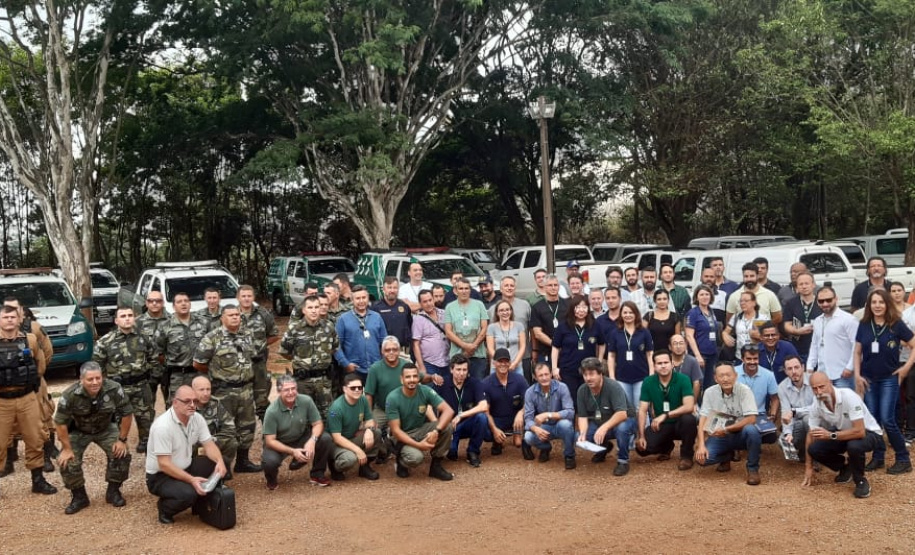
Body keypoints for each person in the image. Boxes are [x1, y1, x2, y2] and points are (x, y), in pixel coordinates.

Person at [54, 361, 133, 514]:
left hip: (105, 428)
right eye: (90, 379)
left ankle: (113, 491)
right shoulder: (70, 394)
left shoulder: (114, 388)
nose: (95, 382)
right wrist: (67, 448)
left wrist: (122, 440)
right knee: (67, 461)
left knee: (122, 454)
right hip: (79, 430)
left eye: (98, 378)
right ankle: (79, 496)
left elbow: (127, 413)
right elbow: (60, 422)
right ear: (81, 379)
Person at [193, 304, 261, 474]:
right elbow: (198, 363)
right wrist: (218, 375)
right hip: (223, 391)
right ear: (222, 318)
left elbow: (253, 358)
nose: (235, 317)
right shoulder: (212, 338)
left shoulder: (247, 335)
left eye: (237, 314)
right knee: (224, 429)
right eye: (230, 315)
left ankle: (243, 461)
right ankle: (224, 464)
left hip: (245, 389)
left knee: (247, 426)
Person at [145, 384, 227, 524]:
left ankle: (199, 504)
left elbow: (209, 444)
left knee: (220, 466)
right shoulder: (162, 427)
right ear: (175, 403)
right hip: (161, 476)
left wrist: (220, 461)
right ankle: (165, 508)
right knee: (188, 494)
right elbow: (164, 464)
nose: (192, 405)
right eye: (187, 401)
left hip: (186, 466)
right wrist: (191, 480)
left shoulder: (197, 418)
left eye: (195, 401)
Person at [854, 288, 915, 474]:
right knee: (874, 420)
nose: (878, 306)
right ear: (869, 305)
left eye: (881, 302)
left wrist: (905, 368)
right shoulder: (864, 324)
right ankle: (878, 457)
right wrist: (857, 375)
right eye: (874, 302)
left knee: (888, 420)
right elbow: (857, 352)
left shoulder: (896, 324)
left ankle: (903, 458)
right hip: (868, 379)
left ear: (887, 304)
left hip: (889, 378)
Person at [0, 304, 57, 495]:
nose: (9, 320)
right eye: (5, 317)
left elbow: (40, 365)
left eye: (13, 317)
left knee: (35, 439)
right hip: (2, 401)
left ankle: (38, 480)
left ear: (19, 319)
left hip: (27, 398)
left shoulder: (30, 340)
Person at [802, 372, 885, 498]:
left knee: (854, 446)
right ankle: (845, 468)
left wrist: (831, 435)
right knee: (814, 449)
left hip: (869, 433)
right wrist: (808, 466)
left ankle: (860, 481)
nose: (819, 392)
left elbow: (860, 431)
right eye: (815, 388)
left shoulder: (849, 396)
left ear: (830, 383)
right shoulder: (816, 403)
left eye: (821, 387)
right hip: (844, 432)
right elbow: (811, 434)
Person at [93, 306, 157, 454]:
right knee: (117, 426)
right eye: (123, 316)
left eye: (130, 315)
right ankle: (120, 458)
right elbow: (97, 367)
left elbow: (154, 360)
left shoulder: (144, 338)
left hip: (141, 387)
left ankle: (151, 458)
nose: (127, 318)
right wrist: (105, 388)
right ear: (116, 321)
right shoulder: (105, 342)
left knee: (147, 423)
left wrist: (151, 380)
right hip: (118, 390)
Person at [695, 363, 764, 485]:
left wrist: (726, 428)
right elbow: (703, 418)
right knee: (702, 459)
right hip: (718, 436)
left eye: (728, 375)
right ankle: (727, 456)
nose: (725, 379)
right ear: (715, 378)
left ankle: (753, 469)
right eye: (721, 376)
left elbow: (751, 419)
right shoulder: (709, 392)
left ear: (735, 376)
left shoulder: (744, 390)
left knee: (752, 431)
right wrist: (701, 445)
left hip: (740, 433)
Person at [261, 375, 334, 489]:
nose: (291, 393)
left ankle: (317, 474)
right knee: (269, 461)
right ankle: (271, 479)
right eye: (286, 390)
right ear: (279, 391)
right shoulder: (272, 411)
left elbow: (318, 424)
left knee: (325, 438)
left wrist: (312, 440)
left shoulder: (306, 401)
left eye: (293, 388)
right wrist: (293, 451)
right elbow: (270, 441)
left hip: (300, 437)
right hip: (279, 442)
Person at [386, 364, 455, 480]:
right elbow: (396, 431)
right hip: (401, 436)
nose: (412, 380)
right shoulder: (393, 398)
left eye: (415, 376)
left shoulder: (425, 391)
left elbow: (449, 411)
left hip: (420, 429)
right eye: (408, 377)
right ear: (401, 379)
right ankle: (401, 462)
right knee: (416, 458)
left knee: (447, 427)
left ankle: (436, 467)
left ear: (419, 378)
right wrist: (419, 446)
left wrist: (436, 431)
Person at [278, 295, 339, 416]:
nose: (314, 310)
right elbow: (284, 351)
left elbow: (334, 348)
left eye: (316, 307)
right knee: (303, 414)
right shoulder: (294, 329)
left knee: (327, 414)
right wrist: (300, 361)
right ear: (304, 310)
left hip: (323, 381)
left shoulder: (329, 327)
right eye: (310, 307)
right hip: (303, 381)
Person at [635, 350, 697, 470]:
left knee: (689, 420)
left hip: (680, 423)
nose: (663, 366)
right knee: (641, 449)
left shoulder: (683, 379)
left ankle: (686, 456)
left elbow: (689, 406)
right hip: (662, 425)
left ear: (672, 364)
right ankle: (666, 447)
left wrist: (666, 415)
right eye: (659, 363)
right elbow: (642, 410)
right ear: (654, 366)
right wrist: (641, 436)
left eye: (666, 362)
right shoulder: (648, 382)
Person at [576, 357, 636, 475]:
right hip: (600, 420)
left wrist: (604, 428)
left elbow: (622, 414)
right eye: (585, 374)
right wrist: (582, 433)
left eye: (591, 374)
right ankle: (604, 448)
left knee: (622, 429)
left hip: (623, 420)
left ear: (600, 373)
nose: (588, 378)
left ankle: (623, 461)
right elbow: (582, 416)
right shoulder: (582, 390)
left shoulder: (613, 386)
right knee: (584, 435)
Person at [435, 354, 489, 467]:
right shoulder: (442, 383)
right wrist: (438, 426)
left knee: (482, 418)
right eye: (458, 369)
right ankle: (452, 446)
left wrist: (461, 415)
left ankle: (473, 451)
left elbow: (484, 406)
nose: (461, 373)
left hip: (467, 424)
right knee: (451, 453)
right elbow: (430, 404)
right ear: (451, 370)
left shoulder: (474, 383)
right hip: (450, 426)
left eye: (464, 370)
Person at [156, 293, 211, 402]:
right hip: (178, 376)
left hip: (201, 373)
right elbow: (159, 352)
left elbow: (211, 346)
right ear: (173, 306)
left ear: (190, 304)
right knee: (179, 406)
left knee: (202, 405)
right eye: (179, 302)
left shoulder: (203, 322)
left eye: (186, 301)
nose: (183, 304)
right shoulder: (165, 326)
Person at [236, 284, 280, 422]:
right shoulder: (232, 314)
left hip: (258, 364)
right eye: (243, 296)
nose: (246, 299)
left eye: (249, 296)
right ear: (238, 298)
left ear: (253, 297)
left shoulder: (263, 314)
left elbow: (274, 334)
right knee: (240, 400)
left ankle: (267, 430)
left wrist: (260, 345)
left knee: (262, 400)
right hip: (238, 365)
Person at [326, 373, 381, 481]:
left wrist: (369, 430)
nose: (357, 390)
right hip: (335, 444)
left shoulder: (363, 400)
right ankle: (335, 466)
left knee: (376, 433)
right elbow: (337, 438)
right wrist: (358, 450)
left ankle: (364, 467)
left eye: (360, 387)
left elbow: (370, 420)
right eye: (353, 388)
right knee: (350, 459)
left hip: (351, 437)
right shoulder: (337, 408)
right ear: (345, 389)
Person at [523, 363, 577, 469]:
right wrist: (535, 429)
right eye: (540, 375)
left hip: (560, 425)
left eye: (546, 374)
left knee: (566, 424)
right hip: (544, 427)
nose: (544, 378)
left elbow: (570, 412)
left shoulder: (562, 387)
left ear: (551, 374)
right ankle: (545, 448)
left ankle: (569, 455)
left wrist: (548, 414)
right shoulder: (530, 392)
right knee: (528, 436)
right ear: (535, 377)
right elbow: (528, 418)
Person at [552, 294, 602, 401]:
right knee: (571, 399)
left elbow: (601, 344)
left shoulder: (595, 325)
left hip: (589, 370)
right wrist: (554, 368)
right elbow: (555, 347)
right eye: (578, 307)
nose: (581, 310)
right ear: (572, 309)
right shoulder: (563, 326)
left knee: (589, 399)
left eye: (584, 307)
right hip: (568, 369)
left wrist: (599, 361)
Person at [807, 286, 859, 389]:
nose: (825, 304)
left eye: (828, 300)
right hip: (823, 374)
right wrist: (810, 366)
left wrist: (850, 367)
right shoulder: (817, 321)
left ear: (836, 299)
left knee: (844, 399)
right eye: (821, 301)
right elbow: (814, 346)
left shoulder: (848, 319)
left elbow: (857, 345)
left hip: (843, 374)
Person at [607, 301, 654, 407]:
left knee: (640, 408)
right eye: (625, 312)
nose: (628, 315)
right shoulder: (615, 333)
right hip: (621, 378)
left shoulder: (644, 332)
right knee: (625, 408)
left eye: (631, 312)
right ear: (621, 314)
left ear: (636, 314)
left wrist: (651, 375)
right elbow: (611, 356)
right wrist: (612, 376)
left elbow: (650, 354)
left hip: (642, 377)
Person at [334, 285, 387, 380]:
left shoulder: (377, 317)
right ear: (352, 300)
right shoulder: (343, 319)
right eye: (358, 298)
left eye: (364, 297)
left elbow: (385, 343)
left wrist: (383, 362)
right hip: (353, 370)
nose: (361, 301)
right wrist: (346, 364)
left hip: (375, 368)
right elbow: (336, 346)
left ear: (368, 298)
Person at [481, 349, 527, 456]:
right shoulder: (486, 383)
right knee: (484, 428)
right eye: (500, 361)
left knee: (531, 413)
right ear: (494, 363)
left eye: (506, 361)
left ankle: (520, 435)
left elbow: (530, 400)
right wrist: (494, 430)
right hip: (497, 419)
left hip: (515, 418)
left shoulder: (519, 379)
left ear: (510, 363)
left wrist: (521, 413)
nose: (503, 364)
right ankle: (497, 440)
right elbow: (485, 411)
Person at [190, 375, 236, 477]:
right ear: (193, 391)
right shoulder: (186, 405)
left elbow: (230, 428)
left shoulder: (215, 403)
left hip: (212, 443)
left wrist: (212, 441)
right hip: (192, 447)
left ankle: (222, 469)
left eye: (208, 389)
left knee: (232, 442)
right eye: (201, 390)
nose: (206, 393)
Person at [443, 278, 489, 380]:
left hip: (478, 354)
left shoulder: (479, 305)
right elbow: (448, 332)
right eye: (461, 288)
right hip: (457, 354)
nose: (464, 291)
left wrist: (473, 346)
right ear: (456, 290)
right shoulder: (449, 307)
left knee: (478, 384)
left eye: (466, 288)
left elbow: (484, 327)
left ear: (470, 290)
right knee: (459, 383)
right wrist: (465, 346)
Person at [491, 276, 533, 382]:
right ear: (501, 289)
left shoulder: (525, 305)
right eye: (506, 285)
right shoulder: (493, 309)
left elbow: (531, 329)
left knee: (523, 385)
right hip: (500, 359)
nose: (509, 288)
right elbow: (490, 337)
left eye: (512, 285)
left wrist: (534, 350)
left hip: (523, 355)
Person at [777, 355, 815, 462]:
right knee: (782, 441)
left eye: (796, 367)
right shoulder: (782, 387)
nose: (794, 372)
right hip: (797, 423)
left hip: (817, 422)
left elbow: (817, 409)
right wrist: (788, 433)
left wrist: (794, 412)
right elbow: (786, 413)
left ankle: (815, 456)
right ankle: (803, 450)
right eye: (789, 369)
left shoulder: (813, 380)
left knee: (807, 419)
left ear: (803, 367)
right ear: (785, 371)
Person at [735, 345, 780, 428]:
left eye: (755, 359)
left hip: (759, 415)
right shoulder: (733, 373)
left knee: (764, 433)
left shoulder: (768, 375)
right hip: (736, 415)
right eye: (749, 359)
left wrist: (773, 416)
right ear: (742, 359)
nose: (752, 362)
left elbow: (775, 398)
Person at [685, 285, 720, 391]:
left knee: (710, 385)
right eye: (701, 295)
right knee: (698, 385)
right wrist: (698, 356)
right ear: (697, 297)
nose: (705, 297)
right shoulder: (693, 313)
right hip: (700, 354)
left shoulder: (711, 311)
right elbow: (689, 336)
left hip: (712, 354)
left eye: (707, 294)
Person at [136, 290, 169, 402]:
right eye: (151, 301)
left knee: (173, 404)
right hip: (147, 370)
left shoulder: (171, 320)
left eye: (158, 301)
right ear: (146, 303)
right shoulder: (137, 323)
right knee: (147, 405)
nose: (154, 303)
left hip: (168, 369)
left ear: (163, 302)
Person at [781, 272, 821, 362]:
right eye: (801, 284)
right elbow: (787, 324)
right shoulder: (791, 303)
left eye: (807, 283)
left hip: (819, 348)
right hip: (799, 348)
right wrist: (797, 331)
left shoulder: (821, 302)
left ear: (813, 285)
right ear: (797, 287)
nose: (804, 286)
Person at [530, 275, 569, 365]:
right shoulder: (537, 307)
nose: (553, 287)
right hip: (545, 352)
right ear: (544, 287)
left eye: (555, 285)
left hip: (566, 350)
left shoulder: (567, 304)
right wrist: (555, 345)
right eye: (550, 285)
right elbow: (537, 333)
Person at [412, 289, 450, 377]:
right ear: (420, 304)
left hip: (447, 361)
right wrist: (421, 367)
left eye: (430, 300)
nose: (428, 303)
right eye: (425, 302)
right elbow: (415, 344)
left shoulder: (444, 314)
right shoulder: (418, 319)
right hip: (429, 363)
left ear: (433, 299)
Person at [722, 291, 767, 361]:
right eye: (741, 301)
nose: (742, 303)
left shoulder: (763, 318)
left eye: (746, 301)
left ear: (754, 303)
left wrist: (760, 336)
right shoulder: (736, 317)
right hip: (740, 356)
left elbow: (770, 336)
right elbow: (726, 331)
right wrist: (724, 335)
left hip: (758, 356)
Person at [486, 299, 526, 377]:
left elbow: (522, 346)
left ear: (511, 311)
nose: (505, 313)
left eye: (507, 310)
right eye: (501, 310)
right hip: (497, 366)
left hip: (516, 366)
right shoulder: (491, 327)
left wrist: (515, 363)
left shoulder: (519, 326)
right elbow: (490, 348)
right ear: (497, 313)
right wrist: (502, 363)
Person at [372, 277, 413, 350]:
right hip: (383, 349)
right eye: (389, 287)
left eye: (395, 288)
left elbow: (410, 326)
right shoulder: (375, 308)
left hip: (402, 349)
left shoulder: (404, 307)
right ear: (384, 289)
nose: (392, 290)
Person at [670, 334, 703, 400]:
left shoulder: (692, 361)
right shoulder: (665, 361)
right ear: (670, 347)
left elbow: (696, 383)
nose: (678, 346)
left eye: (681, 343)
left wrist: (692, 402)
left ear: (685, 346)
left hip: (687, 397)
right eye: (675, 344)